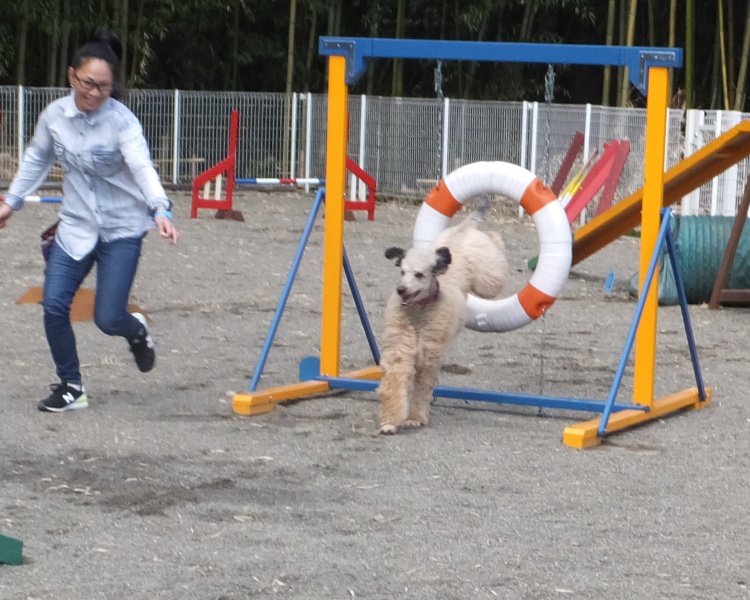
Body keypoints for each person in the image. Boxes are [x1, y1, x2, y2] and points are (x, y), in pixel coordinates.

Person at [0, 30, 179, 413]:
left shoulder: (122, 122)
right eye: (87, 83)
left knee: (108, 318)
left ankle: (137, 332)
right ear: (71, 76)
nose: (95, 93)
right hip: (75, 227)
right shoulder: (55, 117)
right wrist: (11, 202)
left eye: (104, 86)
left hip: (122, 229)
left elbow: (142, 167)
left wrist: (160, 209)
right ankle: (71, 387)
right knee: (53, 305)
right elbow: (37, 158)